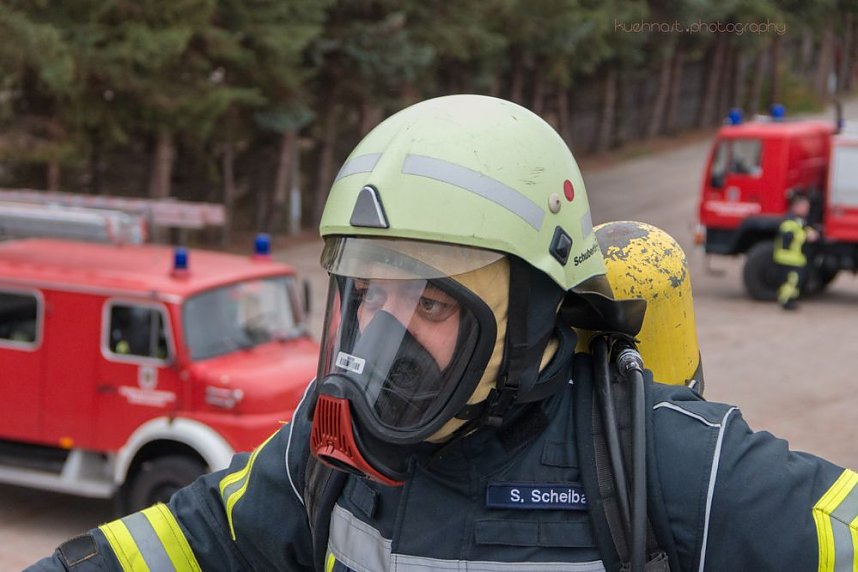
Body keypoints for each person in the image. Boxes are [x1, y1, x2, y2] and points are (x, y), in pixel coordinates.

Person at [29, 95, 856, 572]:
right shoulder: (325, 456)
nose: (383, 334)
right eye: (369, 297)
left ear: (534, 315)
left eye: (430, 305)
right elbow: (190, 537)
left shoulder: (663, 462)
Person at [774, 192, 819, 310]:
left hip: (796, 259)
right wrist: (807, 236)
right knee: (791, 281)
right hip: (788, 259)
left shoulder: (800, 220)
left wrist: (812, 233)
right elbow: (790, 236)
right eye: (805, 207)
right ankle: (785, 301)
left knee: (795, 281)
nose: (807, 209)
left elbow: (803, 229)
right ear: (796, 206)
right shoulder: (789, 221)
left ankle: (791, 300)